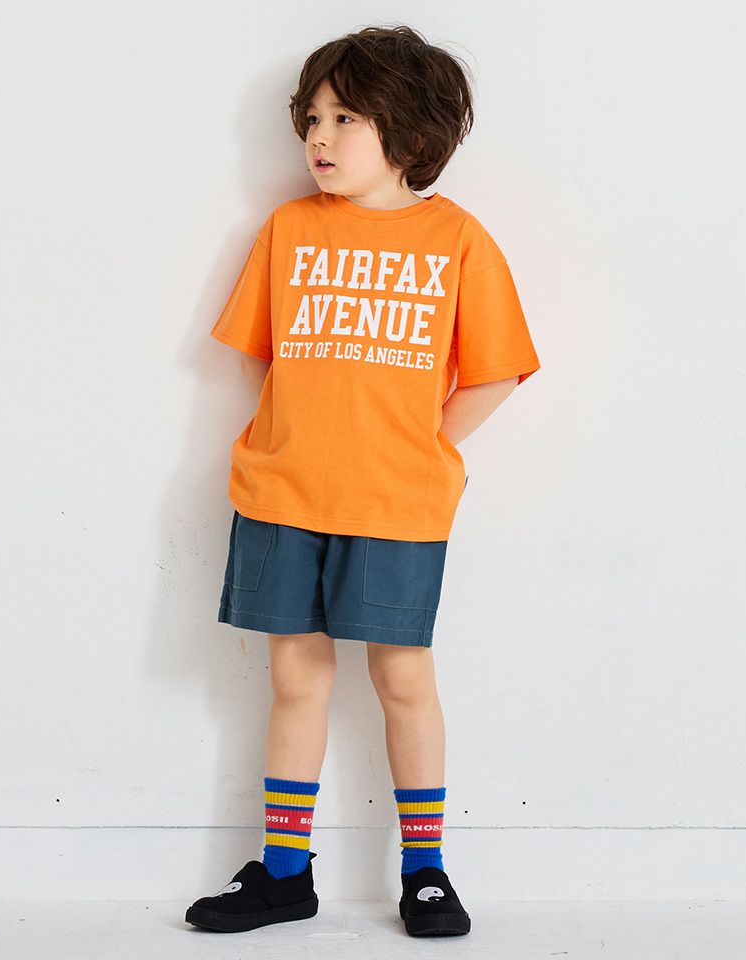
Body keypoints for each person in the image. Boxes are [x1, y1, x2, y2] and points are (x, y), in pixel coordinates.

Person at [185, 24, 540, 938]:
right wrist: (301, 435)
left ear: (411, 133)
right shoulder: (289, 229)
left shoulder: (456, 239)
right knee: (295, 677)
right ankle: (283, 872)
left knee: (403, 675)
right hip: (282, 493)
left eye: (346, 117)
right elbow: (262, 355)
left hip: (398, 501)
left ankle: (425, 872)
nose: (320, 136)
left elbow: (495, 371)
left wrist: (421, 446)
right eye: (312, 117)